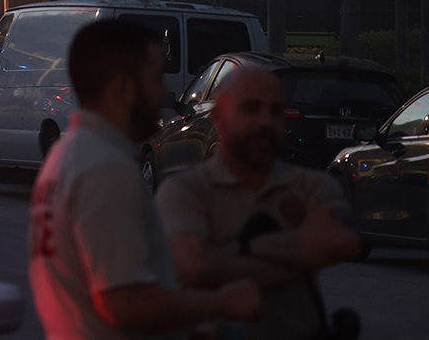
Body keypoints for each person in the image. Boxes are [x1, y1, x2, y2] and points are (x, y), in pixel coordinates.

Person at [29, 20, 260, 340]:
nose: (164, 92)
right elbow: (126, 303)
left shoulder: (67, 157)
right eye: (155, 79)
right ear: (123, 89)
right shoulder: (105, 169)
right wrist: (221, 302)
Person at [156, 68, 362, 340]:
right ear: (218, 117)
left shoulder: (311, 186)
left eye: (276, 111)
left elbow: (341, 241)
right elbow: (194, 264)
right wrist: (298, 257)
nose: (265, 121)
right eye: (250, 108)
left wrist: (244, 247)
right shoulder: (184, 191)